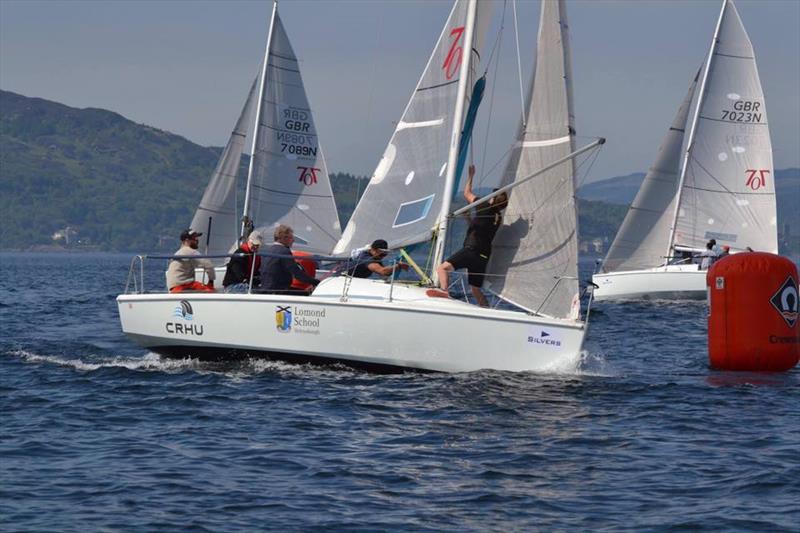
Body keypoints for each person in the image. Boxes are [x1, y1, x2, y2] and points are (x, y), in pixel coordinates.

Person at [435, 165, 508, 307]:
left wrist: (471, 176)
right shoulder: (498, 218)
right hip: (483, 256)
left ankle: (444, 292)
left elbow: (467, 193)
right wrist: (468, 218)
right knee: (475, 289)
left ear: (492, 200)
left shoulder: (483, 206)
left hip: (472, 251)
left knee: (442, 269)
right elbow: (479, 230)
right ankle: (487, 310)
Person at [256, 225, 320, 294]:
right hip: (278, 292)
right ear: (284, 238)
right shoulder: (284, 251)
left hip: (265, 290)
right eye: (291, 238)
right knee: (307, 294)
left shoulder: (268, 250)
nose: (293, 240)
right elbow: (297, 274)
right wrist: (317, 282)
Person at [345, 239, 409, 278]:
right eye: (381, 253)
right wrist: (398, 266)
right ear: (372, 250)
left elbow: (384, 274)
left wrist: (394, 267)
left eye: (385, 253)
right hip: (342, 278)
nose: (383, 256)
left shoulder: (375, 257)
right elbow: (382, 271)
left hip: (351, 280)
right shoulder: (366, 258)